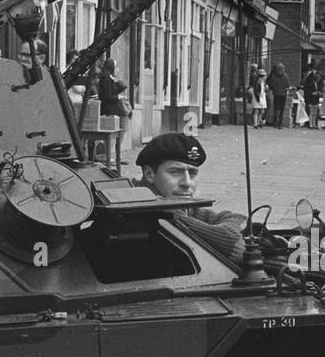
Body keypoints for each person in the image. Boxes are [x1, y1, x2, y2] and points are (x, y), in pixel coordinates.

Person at [135, 133, 246, 269]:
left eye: (192, 173)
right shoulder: (149, 209)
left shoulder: (172, 204)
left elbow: (232, 217)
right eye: (175, 172)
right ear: (149, 174)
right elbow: (233, 246)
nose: (187, 183)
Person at [97, 58, 131, 168]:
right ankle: (107, 156)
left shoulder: (109, 79)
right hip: (109, 110)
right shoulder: (106, 80)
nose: (118, 70)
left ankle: (114, 156)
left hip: (112, 109)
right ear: (111, 68)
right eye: (116, 67)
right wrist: (118, 97)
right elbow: (107, 96)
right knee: (112, 134)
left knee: (116, 134)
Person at [267, 63, 290, 129]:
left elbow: (271, 85)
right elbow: (288, 85)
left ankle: (275, 122)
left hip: (276, 94)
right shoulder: (285, 76)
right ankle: (280, 123)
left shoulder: (274, 76)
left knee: (276, 109)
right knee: (281, 109)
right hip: (283, 94)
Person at [303, 65, 323, 129]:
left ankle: (313, 124)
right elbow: (308, 91)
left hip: (315, 99)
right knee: (312, 113)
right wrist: (313, 93)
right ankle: (311, 124)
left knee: (314, 113)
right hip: (312, 99)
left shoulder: (316, 84)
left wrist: (318, 93)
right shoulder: (311, 83)